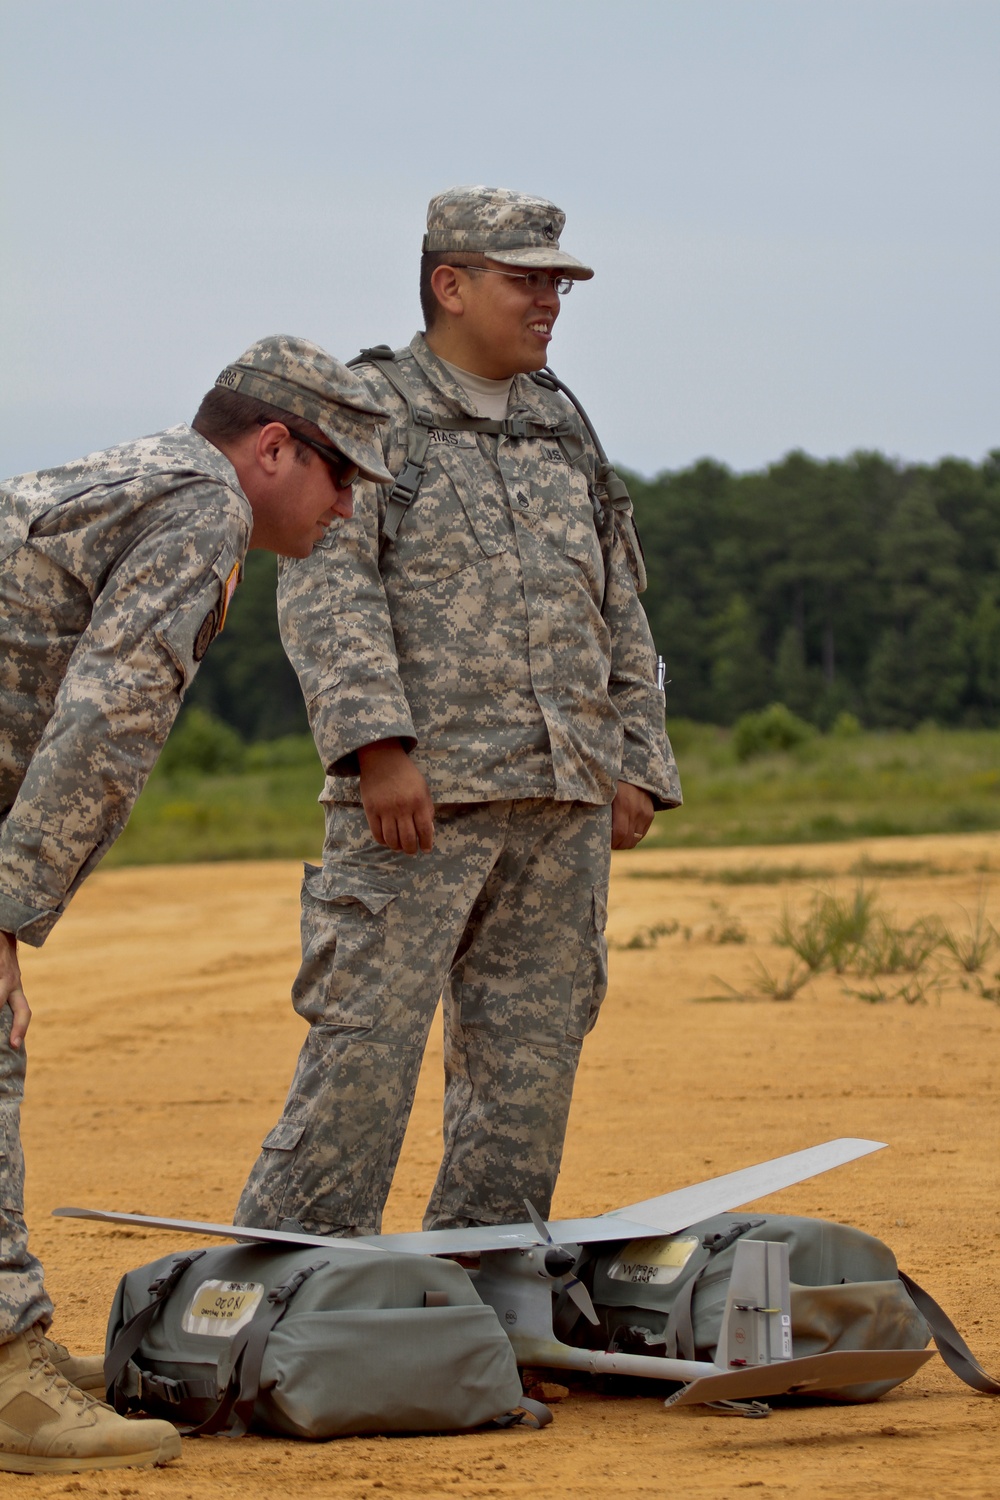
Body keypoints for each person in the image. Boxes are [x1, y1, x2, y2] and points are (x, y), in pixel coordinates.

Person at [235, 186, 681, 1243]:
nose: (550, 301)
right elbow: (324, 581)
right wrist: (376, 749)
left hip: (561, 796)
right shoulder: (372, 410)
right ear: (450, 283)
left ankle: (483, 1293)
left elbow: (616, 592)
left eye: (557, 282)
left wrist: (634, 759)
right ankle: (279, 1292)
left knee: (526, 1073)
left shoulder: (560, 420)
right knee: (363, 1053)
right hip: (420, 801)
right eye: (526, 279)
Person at [0, 334, 392, 1474]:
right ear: (273, 447)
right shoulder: (201, 510)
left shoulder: (149, 474)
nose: (351, 503)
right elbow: (107, 717)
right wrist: (9, 912)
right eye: (343, 472)